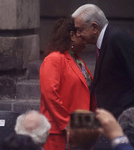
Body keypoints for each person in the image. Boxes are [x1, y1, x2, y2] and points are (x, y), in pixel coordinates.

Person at [71, 4, 134, 150]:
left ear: (94, 27)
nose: (77, 34)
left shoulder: (118, 38)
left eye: (80, 29)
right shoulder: (106, 40)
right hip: (125, 117)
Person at [40, 17, 97, 150]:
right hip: (60, 133)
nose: (85, 40)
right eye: (80, 34)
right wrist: (67, 123)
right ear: (72, 35)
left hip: (80, 131)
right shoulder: (54, 59)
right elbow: (50, 94)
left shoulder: (77, 60)